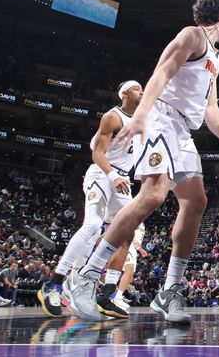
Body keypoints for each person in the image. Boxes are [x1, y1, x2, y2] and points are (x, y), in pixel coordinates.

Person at [70, 0, 219, 324]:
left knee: (196, 201)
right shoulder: (193, 35)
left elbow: (210, 107)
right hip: (162, 118)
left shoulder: (215, 58)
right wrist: (140, 117)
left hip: (183, 131)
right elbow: (161, 74)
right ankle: (87, 276)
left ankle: (169, 292)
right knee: (153, 194)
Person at [38, 80, 143, 319]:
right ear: (124, 93)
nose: (142, 91)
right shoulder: (112, 117)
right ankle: (54, 284)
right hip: (104, 174)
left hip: (123, 180)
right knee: (93, 225)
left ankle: (107, 294)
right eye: (137, 88)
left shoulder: (142, 120)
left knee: (128, 232)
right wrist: (113, 174)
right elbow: (97, 152)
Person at [113, 223, 148, 312]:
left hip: (133, 248)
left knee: (129, 275)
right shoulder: (136, 217)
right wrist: (141, 249)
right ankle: (117, 297)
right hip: (129, 246)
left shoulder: (141, 221)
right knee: (128, 271)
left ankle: (116, 296)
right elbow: (128, 232)